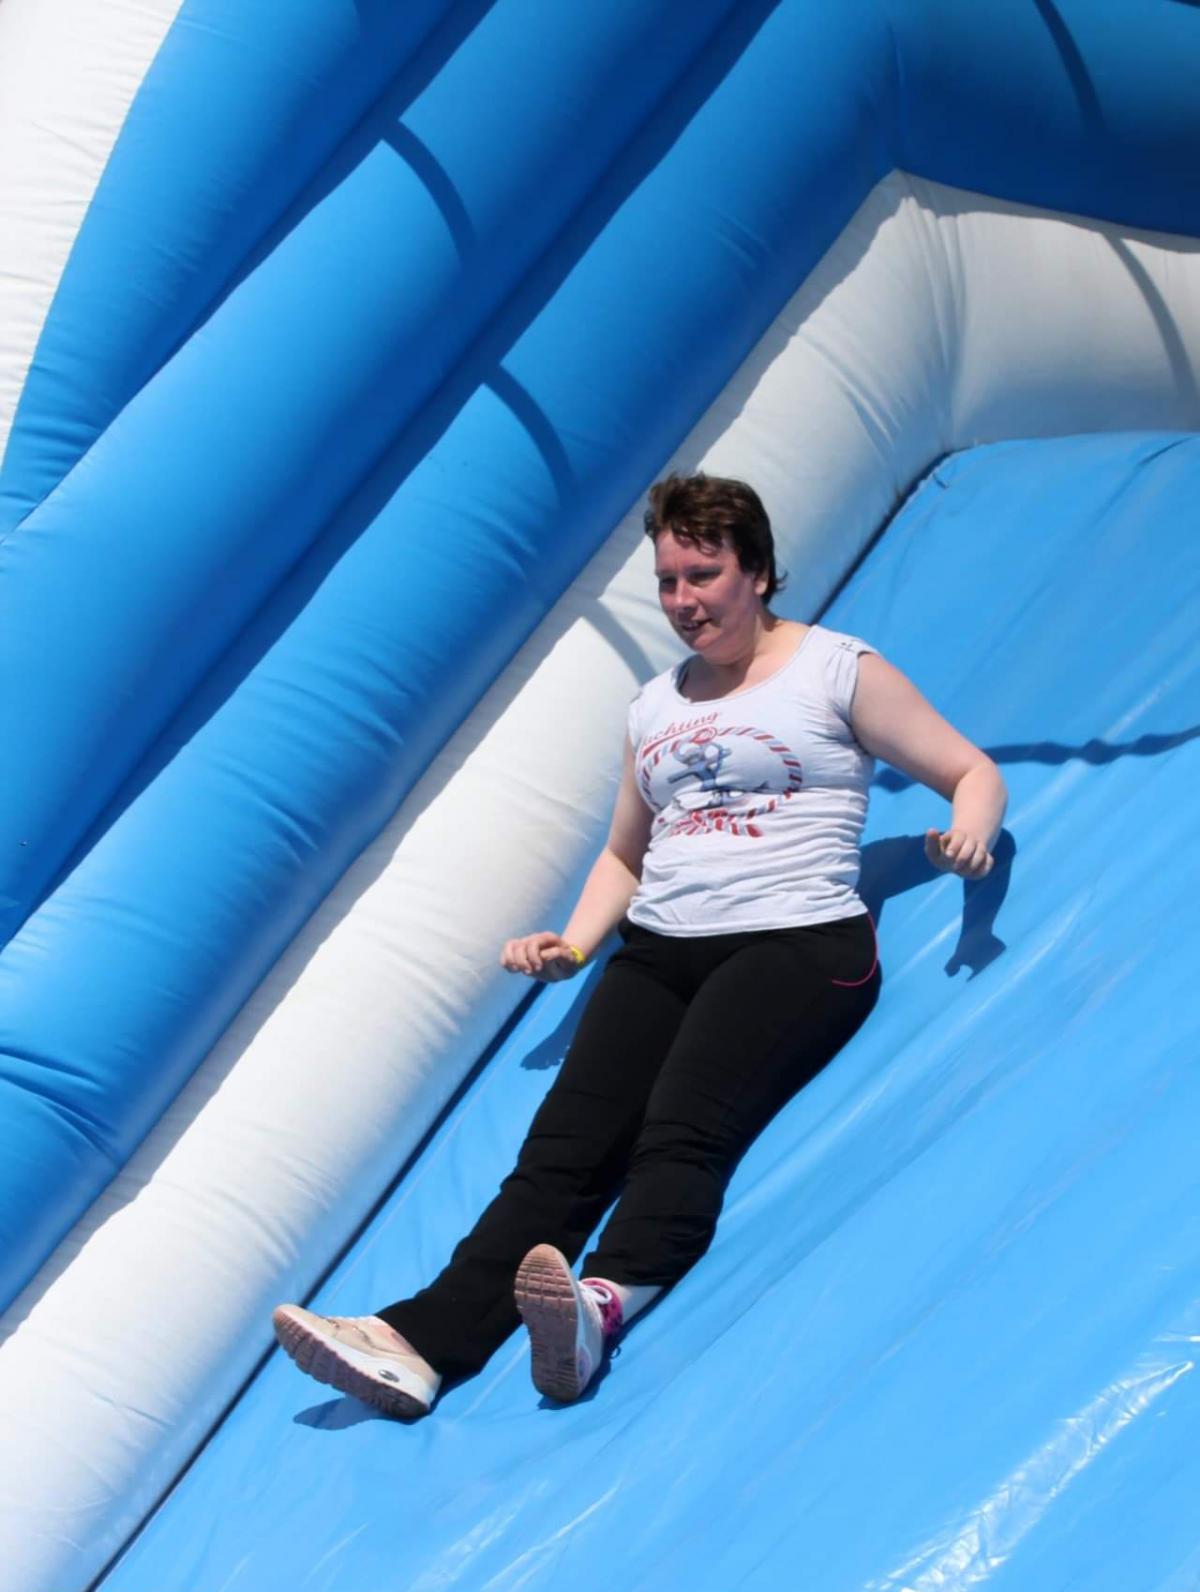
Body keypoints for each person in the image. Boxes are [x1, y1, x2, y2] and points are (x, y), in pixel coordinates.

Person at [273, 473, 1007, 1420]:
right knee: (558, 1157)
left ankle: (599, 1306)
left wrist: (970, 839)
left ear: (758, 572)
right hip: (661, 948)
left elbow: (969, 768)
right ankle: (421, 1345)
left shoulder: (834, 668)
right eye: (667, 581)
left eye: (703, 575)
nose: (684, 600)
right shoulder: (655, 705)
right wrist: (575, 946)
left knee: (680, 1127)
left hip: (795, 941)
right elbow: (627, 852)